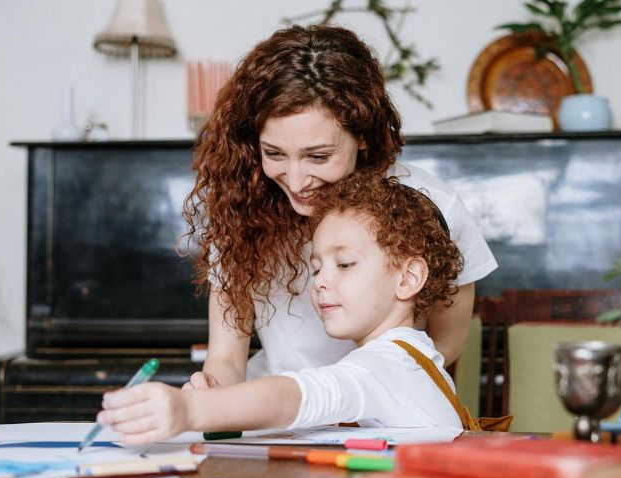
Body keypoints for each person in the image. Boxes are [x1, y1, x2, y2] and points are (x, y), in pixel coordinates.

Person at [182, 24, 497, 392]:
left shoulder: (432, 206)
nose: (296, 182)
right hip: (274, 413)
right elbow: (227, 358)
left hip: (382, 407)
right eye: (274, 154)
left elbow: (444, 345)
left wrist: (357, 399)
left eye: (318, 156)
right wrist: (211, 392)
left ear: (362, 135)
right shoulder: (242, 208)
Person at [98, 175, 467, 443]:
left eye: (345, 264)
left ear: (408, 277)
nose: (320, 281)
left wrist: (190, 411)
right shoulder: (408, 356)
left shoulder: (388, 365)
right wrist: (221, 403)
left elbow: (298, 395)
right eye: (317, 267)